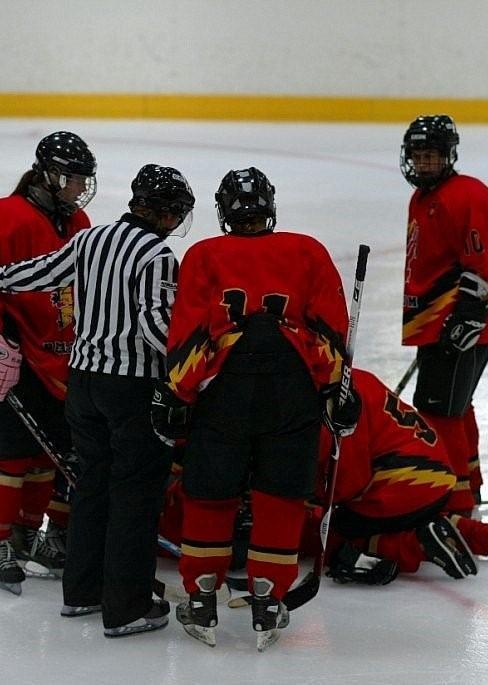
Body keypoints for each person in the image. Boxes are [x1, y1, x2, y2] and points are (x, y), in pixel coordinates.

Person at [152, 167, 359, 651]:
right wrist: (337, 389)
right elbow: (331, 331)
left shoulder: (204, 254)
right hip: (291, 394)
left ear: (224, 211)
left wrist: (177, 393)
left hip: (224, 394)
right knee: (280, 495)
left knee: (210, 493)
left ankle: (202, 597)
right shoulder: (308, 250)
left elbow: (188, 334)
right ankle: (268, 599)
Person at [0, 164, 195, 638]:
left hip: (82, 386)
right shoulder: (157, 255)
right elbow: (156, 328)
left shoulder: (91, 239)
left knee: (91, 487)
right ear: (165, 213)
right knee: (135, 496)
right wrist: (194, 367)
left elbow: (41, 273)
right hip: (131, 390)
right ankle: (127, 607)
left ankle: (82, 592)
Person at [0, 131, 96, 595]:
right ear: (50, 175)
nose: (82, 188)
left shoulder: (79, 223)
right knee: (10, 458)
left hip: (64, 361)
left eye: (84, 180)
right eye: (74, 179)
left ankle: (27, 535)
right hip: (12, 356)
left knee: (49, 460)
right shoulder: (3, 214)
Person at [302, 368, 488, 586]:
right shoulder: (351, 377)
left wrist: (307, 500)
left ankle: (416, 545)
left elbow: (347, 484)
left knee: (325, 532)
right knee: (411, 518)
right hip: (432, 475)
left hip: (402, 483)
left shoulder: (321, 405)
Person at [399, 114, 488, 516]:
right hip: (438, 322)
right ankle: (470, 488)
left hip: (463, 323)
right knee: (455, 407)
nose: (423, 162)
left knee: (438, 412)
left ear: (449, 155)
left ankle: (454, 504)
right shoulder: (421, 198)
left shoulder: (468, 194)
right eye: (418, 155)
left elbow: (482, 261)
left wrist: (467, 317)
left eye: (431, 155)